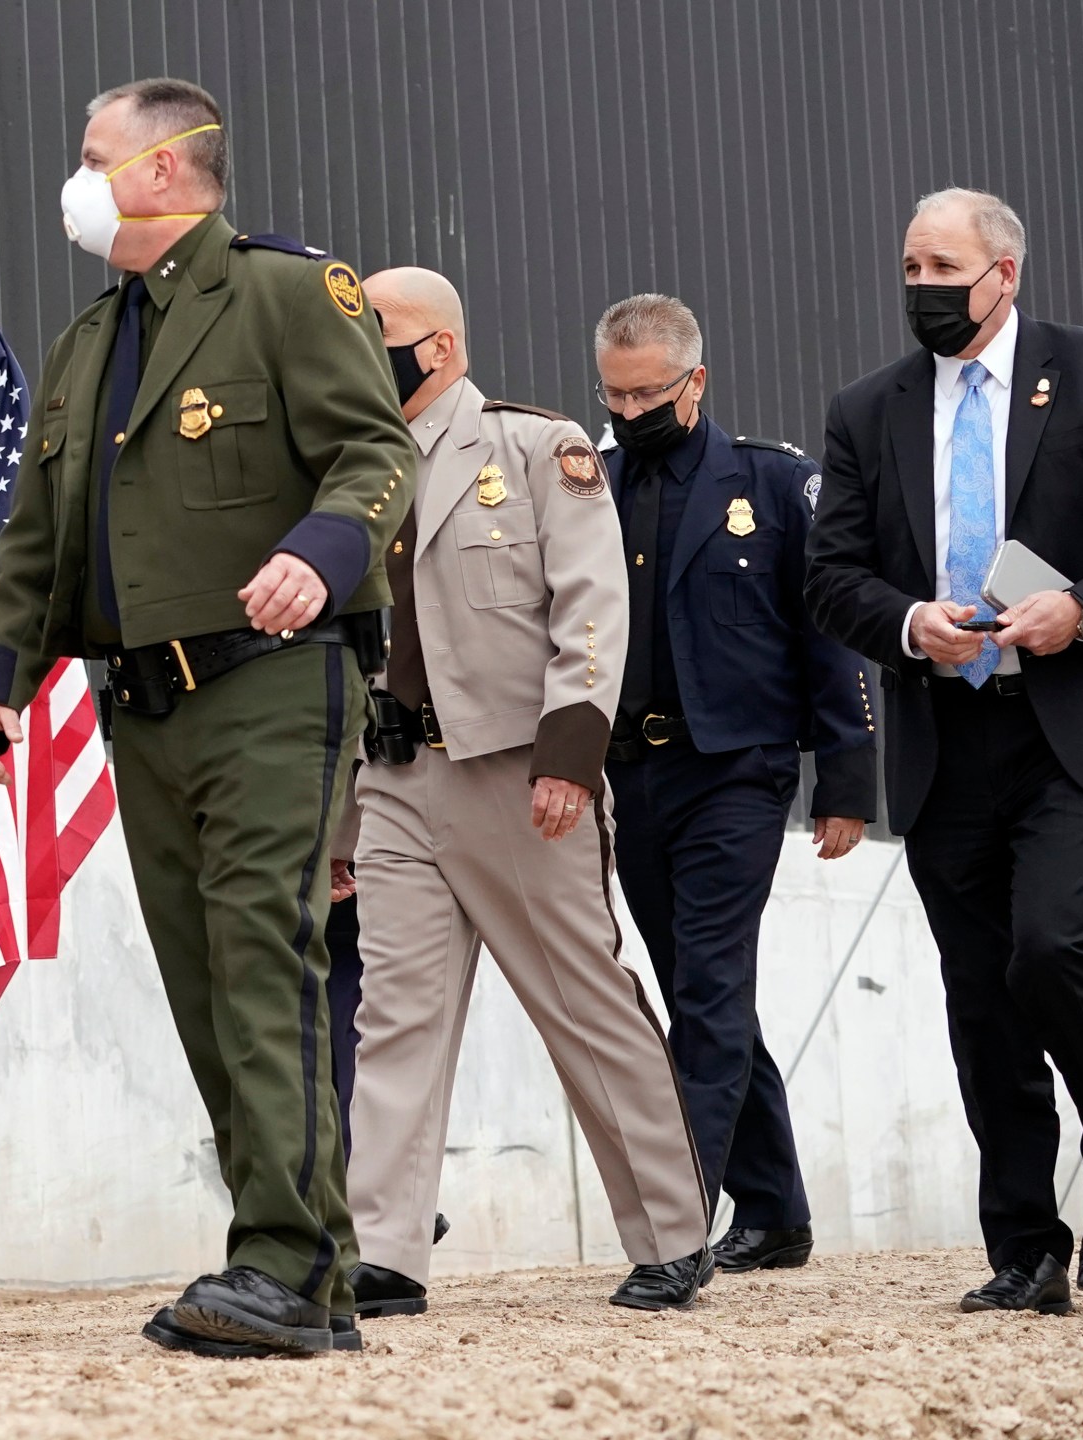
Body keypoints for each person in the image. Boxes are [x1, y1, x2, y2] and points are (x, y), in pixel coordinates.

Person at [0, 76, 416, 1358]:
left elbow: (376, 449)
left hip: (271, 681)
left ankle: (279, 1260)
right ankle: (300, 1274)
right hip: (141, 710)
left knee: (265, 959)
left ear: (164, 169)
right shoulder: (89, 344)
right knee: (206, 987)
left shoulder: (285, 290)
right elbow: (40, 541)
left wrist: (325, 553)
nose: (78, 177)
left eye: (94, 155)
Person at [343, 267, 714, 1317]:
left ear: (443, 348)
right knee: (395, 1016)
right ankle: (385, 1250)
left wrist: (570, 752)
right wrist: (340, 813)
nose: (363, 350)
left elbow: (592, 609)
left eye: (382, 334)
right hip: (395, 778)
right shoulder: (345, 469)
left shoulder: (535, 450)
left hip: (516, 774)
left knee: (582, 1001)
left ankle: (671, 1232)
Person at [805, 188, 1083, 1315]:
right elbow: (831, 574)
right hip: (945, 738)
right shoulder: (866, 409)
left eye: (942, 265)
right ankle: (1026, 1249)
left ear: (1005, 273)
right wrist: (907, 624)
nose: (920, 287)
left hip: (1068, 728)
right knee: (982, 1003)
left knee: (1052, 951)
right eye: (907, 266)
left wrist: (1078, 610)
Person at [591, 293, 879, 1275]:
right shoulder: (591, 489)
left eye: (648, 394)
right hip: (635, 777)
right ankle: (775, 1208)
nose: (631, 413)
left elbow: (827, 630)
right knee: (694, 991)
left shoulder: (772, 483)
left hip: (738, 775)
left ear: (694, 381)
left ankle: (678, 1229)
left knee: (708, 989)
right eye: (614, 395)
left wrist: (846, 778)